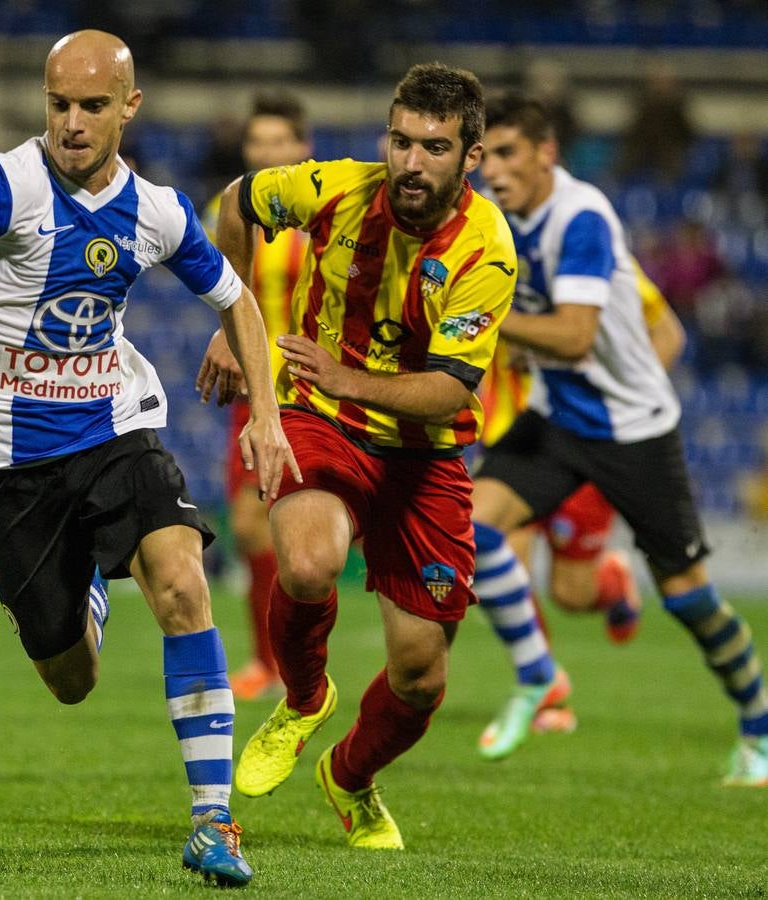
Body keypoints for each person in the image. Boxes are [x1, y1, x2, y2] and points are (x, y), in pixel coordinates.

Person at [0, 30, 301, 887]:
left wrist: (266, 414)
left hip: (115, 428)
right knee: (71, 678)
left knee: (184, 582)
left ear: (129, 108)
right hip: (7, 461)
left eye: (93, 106)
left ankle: (213, 822)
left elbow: (238, 300)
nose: (72, 123)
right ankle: (89, 599)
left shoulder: (158, 211)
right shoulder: (3, 185)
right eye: (58, 105)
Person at [199, 63, 516, 848]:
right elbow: (239, 199)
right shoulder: (337, 188)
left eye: (434, 148)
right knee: (305, 565)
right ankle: (304, 699)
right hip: (323, 419)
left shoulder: (488, 251)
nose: (411, 163)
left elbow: (450, 392)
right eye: (401, 141)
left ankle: (348, 776)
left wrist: (348, 374)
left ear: (469, 157)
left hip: (425, 458)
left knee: (420, 675)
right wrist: (231, 314)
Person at [470, 91, 768, 784]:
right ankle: (538, 676)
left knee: (689, 596)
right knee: (470, 527)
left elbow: (574, 337)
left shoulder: (581, 217)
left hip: (634, 430)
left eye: (510, 154)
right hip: (556, 419)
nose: (496, 170)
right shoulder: (501, 221)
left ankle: (758, 723)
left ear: (546, 154)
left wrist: (485, 319)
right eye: (487, 157)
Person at [476, 255, 685, 744]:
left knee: (571, 594)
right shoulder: (491, 254)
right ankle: (546, 688)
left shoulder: (600, 257)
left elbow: (669, 335)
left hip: (585, 445)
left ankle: (612, 582)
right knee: (503, 560)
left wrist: (625, 407)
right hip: (516, 445)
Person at [202, 93, 311, 701]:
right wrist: (224, 333)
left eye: (279, 142)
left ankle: (297, 662)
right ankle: (266, 662)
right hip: (253, 386)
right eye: (256, 143)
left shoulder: (322, 212)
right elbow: (214, 281)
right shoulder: (229, 207)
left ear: (302, 149)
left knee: (302, 535)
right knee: (248, 527)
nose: (267, 153)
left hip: (313, 391)